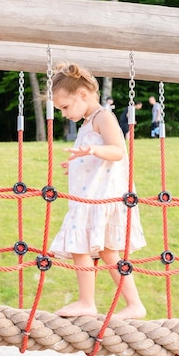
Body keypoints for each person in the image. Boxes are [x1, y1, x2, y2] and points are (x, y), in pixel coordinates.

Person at [47, 62, 147, 320]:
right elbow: (99, 159)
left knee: (87, 247)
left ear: (83, 95)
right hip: (91, 197)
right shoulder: (88, 122)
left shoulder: (103, 117)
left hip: (102, 199)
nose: (64, 113)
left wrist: (91, 151)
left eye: (65, 107)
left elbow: (117, 151)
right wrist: (80, 163)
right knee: (103, 251)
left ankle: (89, 302)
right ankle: (126, 304)